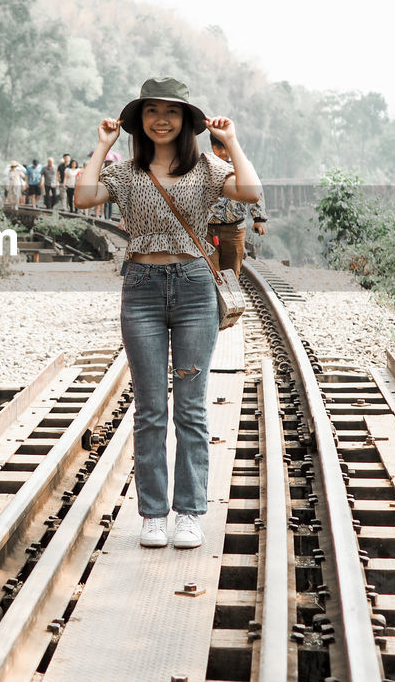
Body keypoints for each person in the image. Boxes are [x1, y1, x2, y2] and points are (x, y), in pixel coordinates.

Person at [76, 77, 261, 550]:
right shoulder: (125, 173)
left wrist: (232, 141)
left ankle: (189, 513)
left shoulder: (205, 167)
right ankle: (154, 515)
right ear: (140, 121)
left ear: (186, 123)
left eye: (172, 112)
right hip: (141, 289)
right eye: (152, 111)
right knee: (151, 409)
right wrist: (102, 146)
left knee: (192, 408)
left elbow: (250, 190)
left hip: (195, 288)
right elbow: (83, 197)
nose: (161, 119)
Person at [207, 138, 266, 273]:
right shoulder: (205, 165)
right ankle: (213, 294)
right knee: (210, 272)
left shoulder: (243, 166)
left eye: (226, 147)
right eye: (218, 147)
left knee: (231, 272)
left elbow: (256, 190)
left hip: (234, 229)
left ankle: (229, 294)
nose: (222, 152)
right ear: (212, 146)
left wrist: (259, 219)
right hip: (207, 230)